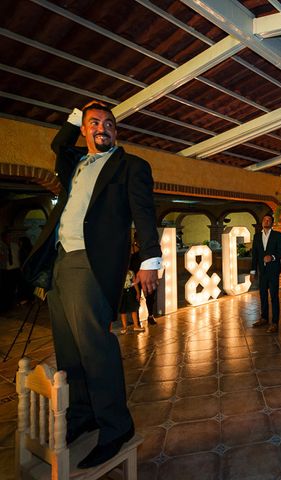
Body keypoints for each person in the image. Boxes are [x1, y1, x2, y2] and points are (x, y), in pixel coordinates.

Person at [22, 101, 161, 468]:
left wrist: (150, 259)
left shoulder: (130, 166)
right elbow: (59, 145)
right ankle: (83, 417)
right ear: (84, 130)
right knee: (68, 351)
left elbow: (144, 213)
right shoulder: (74, 164)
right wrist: (75, 114)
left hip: (91, 263)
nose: (104, 128)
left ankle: (116, 427)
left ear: (116, 131)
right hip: (60, 262)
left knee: (95, 349)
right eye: (95, 123)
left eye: (110, 123)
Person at [250, 213, 281, 333]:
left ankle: (275, 322)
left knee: (274, 296)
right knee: (263, 295)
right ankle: (264, 318)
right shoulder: (257, 236)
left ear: (272, 223)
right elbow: (254, 255)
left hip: (273, 270)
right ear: (262, 222)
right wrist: (253, 271)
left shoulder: (277, 235)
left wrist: (273, 257)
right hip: (262, 271)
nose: (266, 221)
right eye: (264, 219)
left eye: (269, 220)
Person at [118, 269, 143, 334]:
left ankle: (136, 326)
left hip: (131, 291)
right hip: (122, 292)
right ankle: (124, 327)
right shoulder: (118, 271)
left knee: (134, 309)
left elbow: (134, 282)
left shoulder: (131, 272)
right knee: (123, 310)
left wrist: (138, 293)